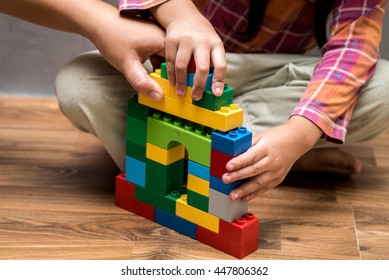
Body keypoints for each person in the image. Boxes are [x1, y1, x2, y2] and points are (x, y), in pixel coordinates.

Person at [1, 0, 388, 202]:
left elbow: (353, 49)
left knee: (382, 88)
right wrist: (180, 14)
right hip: (182, 71)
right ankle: (251, 162)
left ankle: (260, 155)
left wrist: (301, 133)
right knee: (79, 83)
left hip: (280, 74)